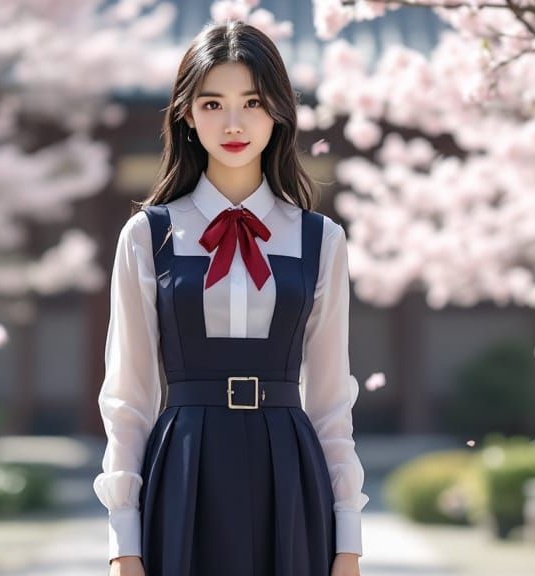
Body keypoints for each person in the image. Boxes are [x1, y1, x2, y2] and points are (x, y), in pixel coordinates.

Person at [94, 19, 368, 576]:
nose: (234, 123)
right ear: (187, 115)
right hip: (184, 469)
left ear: (279, 112)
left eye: (253, 102)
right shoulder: (148, 236)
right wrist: (124, 541)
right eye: (213, 104)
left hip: (289, 471)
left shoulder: (321, 239)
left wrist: (349, 539)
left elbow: (331, 400)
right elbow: (128, 397)